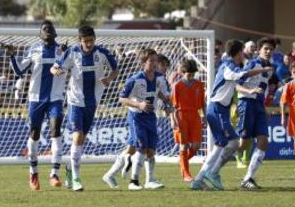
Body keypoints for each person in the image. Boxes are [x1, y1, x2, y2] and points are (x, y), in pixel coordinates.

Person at [190, 39, 272, 191]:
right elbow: (242, 75)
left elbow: (239, 79)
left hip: (220, 109)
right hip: (217, 108)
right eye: (243, 51)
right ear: (239, 52)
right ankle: (213, 173)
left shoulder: (232, 65)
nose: (244, 54)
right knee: (234, 142)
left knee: (219, 145)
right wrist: (262, 71)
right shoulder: (229, 66)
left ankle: (199, 180)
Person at [51, 25, 118, 191]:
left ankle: (69, 167)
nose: (89, 44)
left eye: (91, 40)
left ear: (95, 39)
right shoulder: (72, 52)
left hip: (92, 101)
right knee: (77, 135)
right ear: (79, 40)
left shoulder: (102, 52)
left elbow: (115, 70)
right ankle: (76, 178)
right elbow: (55, 66)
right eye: (85, 41)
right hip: (75, 100)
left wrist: (109, 78)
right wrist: (55, 71)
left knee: (81, 139)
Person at [5, 20, 67, 191]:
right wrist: (11, 55)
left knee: (56, 130)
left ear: (55, 33)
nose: (47, 31)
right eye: (44, 29)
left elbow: (71, 68)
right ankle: (33, 173)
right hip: (35, 99)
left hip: (55, 98)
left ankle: (54, 174)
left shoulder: (62, 50)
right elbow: (19, 71)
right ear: (40, 34)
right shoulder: (33, 49)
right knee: (35, 134)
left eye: (50, 29)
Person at [101, 53, 171, 189]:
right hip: (137, 116)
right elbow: (122, 99)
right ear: (143, 63)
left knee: (147, 149)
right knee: (141, 146)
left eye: (156, 61)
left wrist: (168, 106)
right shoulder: (135, 79)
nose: (155, 63)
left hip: (151, 116)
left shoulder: (160, 78)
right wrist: (139, 105)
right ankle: (134, 182)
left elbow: (159, 93)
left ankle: (146, 179)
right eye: (152, 61)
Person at [236, 37, 276, 190]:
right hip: (246, 103)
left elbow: (263, 90)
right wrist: (250, 91)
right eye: (265, 48)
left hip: (258, 106)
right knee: (243, 144)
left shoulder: (270, 68)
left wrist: (263, 108)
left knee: (264, 141)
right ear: (259, 50)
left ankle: (248, 178)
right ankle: (216, 157)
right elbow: (237, 86)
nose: (268, 51)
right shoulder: (253, 64)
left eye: (271, 49)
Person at [171, 59, 206, 182]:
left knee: (196, 145)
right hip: (182, 116)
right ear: (182, 72)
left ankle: (182, 161)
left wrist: (204, 117)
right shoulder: (177, 86)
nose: (191, 77)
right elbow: (173, 107)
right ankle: (186, 173)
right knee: (183, 144)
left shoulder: (199, 85)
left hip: (195, 115)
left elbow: (203, 103)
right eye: (188, 74)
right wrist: (174, 120)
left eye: (192, 74)